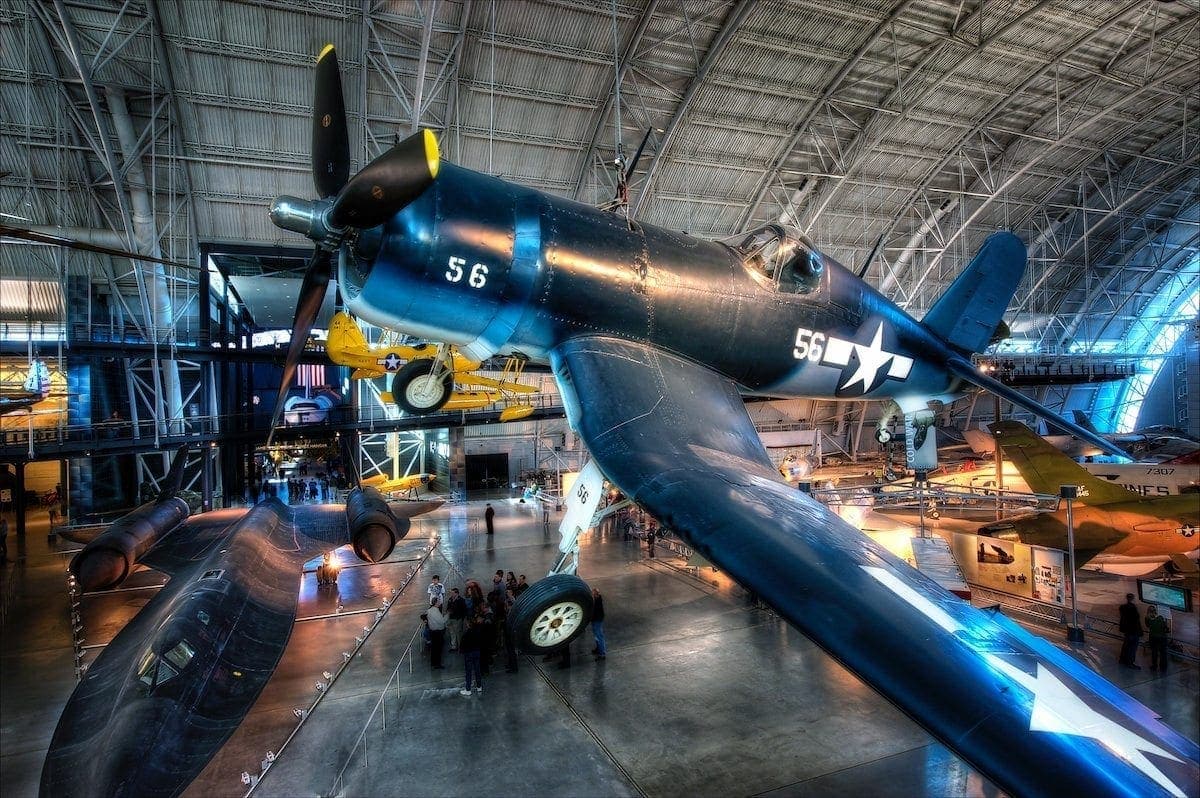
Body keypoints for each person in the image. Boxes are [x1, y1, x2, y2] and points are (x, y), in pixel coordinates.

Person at [460, 616, 484, 696]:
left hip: (468, 653)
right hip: (477, 652)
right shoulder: (478, 631)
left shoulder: (466, 634)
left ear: (468, 624)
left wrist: (462, 651)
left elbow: (463, 645)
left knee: (468, 671)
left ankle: (468, 689)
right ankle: (479, 686)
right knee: (477, 670)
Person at [1118, 593, 1143, 669]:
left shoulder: (1122, 608)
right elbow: (1136, 621)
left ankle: (1122, 660)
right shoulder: (1133, 608)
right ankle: (1130, 662)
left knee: (1126, 645)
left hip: (1127, 630)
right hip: (1133, 631)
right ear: (1132, 598)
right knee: (1132, 647)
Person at [1146, 605, 1170, 672]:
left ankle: (1154, 666)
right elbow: (1165, 627)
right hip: (1162, 637)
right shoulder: (1160, 617)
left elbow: (1147, 625)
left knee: (1154, 652)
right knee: (1163, 653)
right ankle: (1163, 667)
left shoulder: (1147, 618)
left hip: (1153, 637)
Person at [427, 599, 447, 669]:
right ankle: (437, 664)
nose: (440, 603)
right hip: (437, 632)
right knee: (438, 648)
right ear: (435, 603)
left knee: (434, 648)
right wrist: (448, 615)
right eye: (438, 602)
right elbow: (442, 621)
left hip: (432, 632)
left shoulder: (429, 610)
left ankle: (433, 663)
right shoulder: (435, 611)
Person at [590, 587, 606, 661]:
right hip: (597, 619)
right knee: (597, 635)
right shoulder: (598, 600)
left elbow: (594, 612)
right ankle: (598, 649)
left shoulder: (596, 602)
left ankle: (602, 653)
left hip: (596, 620)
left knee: (599, 636)